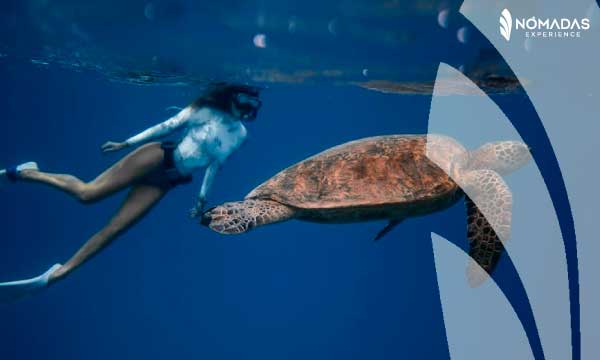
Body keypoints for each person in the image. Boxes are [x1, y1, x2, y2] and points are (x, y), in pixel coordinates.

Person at [0, 83, 262, 301]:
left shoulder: (239, 136)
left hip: (168, 180)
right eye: (243, 101)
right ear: (231, 96)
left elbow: (215, 165)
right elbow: (166, 126)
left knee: (115, 229)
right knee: (88, 194)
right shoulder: (205, 110)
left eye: (252, 105)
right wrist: (124, 143)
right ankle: (26, 173)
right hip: (156, 157)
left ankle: (58, 274)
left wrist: (201, 200)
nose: (247, 109)